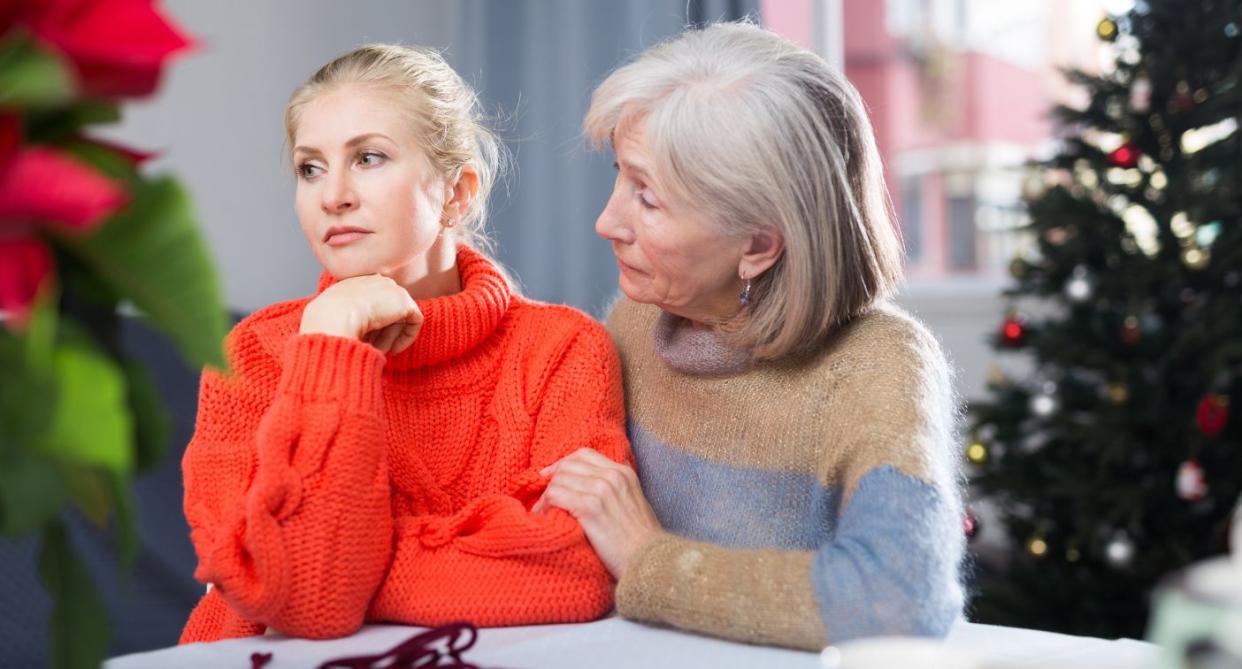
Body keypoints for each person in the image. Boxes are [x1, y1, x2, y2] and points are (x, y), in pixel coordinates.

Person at [179, 44, 630, 643]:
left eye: (368, 157)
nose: (331, 194)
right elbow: (302, 601)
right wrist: (332, 345)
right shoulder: (254, 356)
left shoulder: (562, 351)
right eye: (310, 167)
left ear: (457, 192)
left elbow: (572, 572)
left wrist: (343, 560)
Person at [536, 21, 966, 651]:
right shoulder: (630, 325)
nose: (607, 222)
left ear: (759, 245)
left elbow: (900, 597)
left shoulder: (879, 366)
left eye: (647, 198)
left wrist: (651, 560)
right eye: (621, 177)